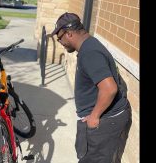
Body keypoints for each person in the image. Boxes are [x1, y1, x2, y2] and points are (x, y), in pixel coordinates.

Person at [51, 12, 132, 163]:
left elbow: (109, 88)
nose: (60, 42)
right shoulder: (89, 45)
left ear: (68, 34)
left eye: (59, 37)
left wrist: (94, 116)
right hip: (106, 120)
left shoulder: (90, 52)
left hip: (105, 123)